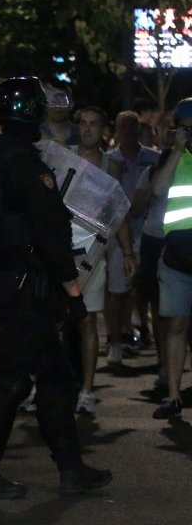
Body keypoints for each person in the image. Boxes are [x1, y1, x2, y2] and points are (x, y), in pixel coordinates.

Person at [0, 77, 112, 500]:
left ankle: (70, 468)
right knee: (12, 378)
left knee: (55, 379)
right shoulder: (27, 165)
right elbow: (50, 231)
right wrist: (73, 290)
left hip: (8, 276)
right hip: (30, 283)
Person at [67, 107, 136, 415]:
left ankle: (86, 390)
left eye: (94, 124)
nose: (87, 129)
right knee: (53, 321)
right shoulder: (63, 156)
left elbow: (118, 210)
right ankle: (48, 388)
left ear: (103, 129)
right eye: (82, 123)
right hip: (59, 249)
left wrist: (128, 252)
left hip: (93, 253)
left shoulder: (111, 165)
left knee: (88, 321)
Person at [146, 97, 192, 419]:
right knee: (176, 325)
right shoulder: (171, 157)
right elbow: (159, 189)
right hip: (178, 255)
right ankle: (174, 396)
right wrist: (178, 150)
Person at [105, 111, 160, 360]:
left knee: (147, 291)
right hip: (119, 235)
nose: (127, 132)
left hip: (149, 233)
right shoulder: (108, 161)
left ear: (139, 131)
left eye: (132, 127)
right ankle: (115, 341)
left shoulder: (155, 159)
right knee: (118, 289)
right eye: (122, 127)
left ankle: (142, 332)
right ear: (116, 131)